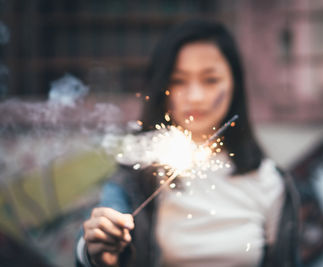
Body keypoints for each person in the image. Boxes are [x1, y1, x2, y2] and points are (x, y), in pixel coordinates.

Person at [76, 19, 300, 267]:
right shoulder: (136, 176)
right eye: (178, 81)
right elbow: (95, 244)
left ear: (234, 85)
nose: (194, 96)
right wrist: (95, 254)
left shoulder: (269, 181)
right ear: (162, 87)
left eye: (210, 80)